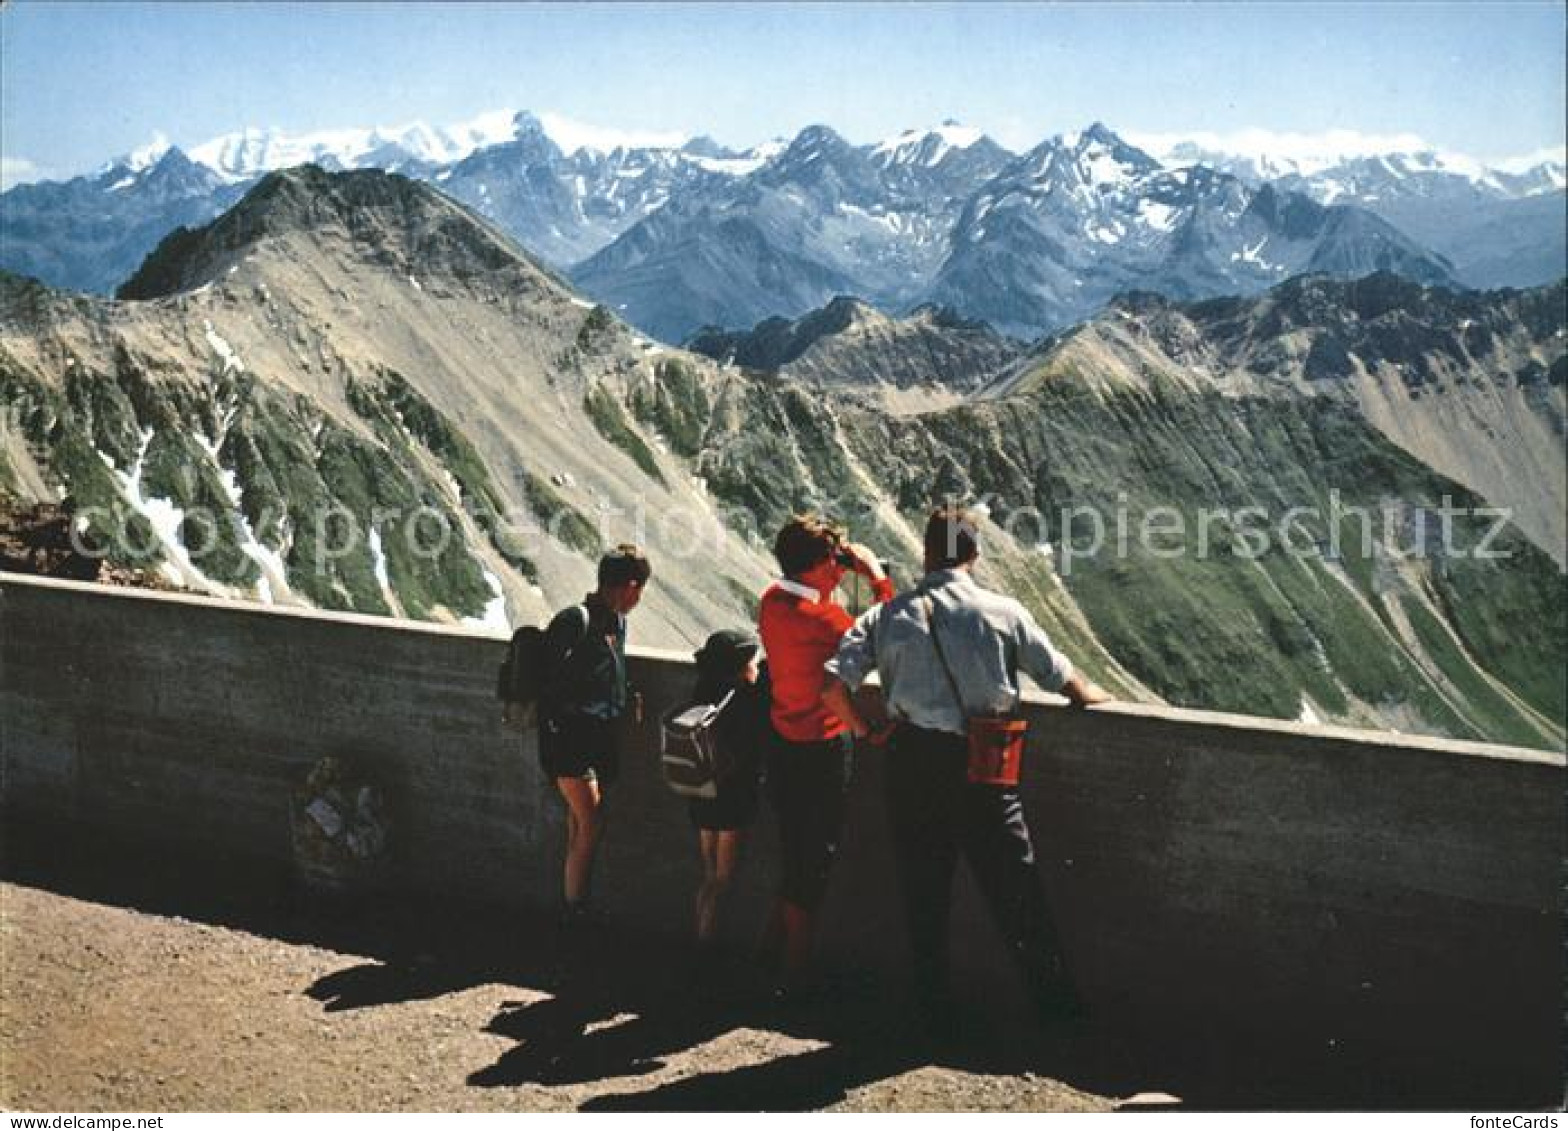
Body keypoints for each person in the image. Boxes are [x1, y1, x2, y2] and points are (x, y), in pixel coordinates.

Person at [821, 506, 1111, 1028]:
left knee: (924, 891)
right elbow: (1067, 681)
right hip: (983, 765)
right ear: (973, 554)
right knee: (1017, 892)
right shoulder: (1003, 611)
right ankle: (1059, 1016)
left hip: (911, 762)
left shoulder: (887, 616)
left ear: (927, 553)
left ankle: (934, 1015)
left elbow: (831, 689)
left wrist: (867, 732)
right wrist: (1094, 695)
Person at [757, 514, 894, 993]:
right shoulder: (827, 619)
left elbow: (816, 620)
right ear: (816, 566)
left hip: (781, 742)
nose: (840, 568)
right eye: (833, 561)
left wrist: (834, 573)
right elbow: (886, 635)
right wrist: (876, 576)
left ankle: (769, 952)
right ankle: (794, 973)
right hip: (822, 748)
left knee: (795, 847)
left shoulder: (772, 602)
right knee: (815, 855)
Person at [538, 543, 652, 927]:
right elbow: (549, 683)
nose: (639, 599)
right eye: (639, 591)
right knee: (592, 821)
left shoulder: (615, 623)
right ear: (630, 586)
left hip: (598, 738)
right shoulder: (577, 619)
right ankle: (575, 909)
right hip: (569, 739)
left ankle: (574, 902)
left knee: (580, 823)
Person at [684, 629, 771, 952]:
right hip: (733, 797)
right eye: (753, 661)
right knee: (722, 879)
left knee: (707, 875)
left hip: (703, 792)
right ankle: (706, 948)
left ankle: (699, 936)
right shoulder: (746, 701)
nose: (757, 667)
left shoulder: (704, 690)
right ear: (738, 667)